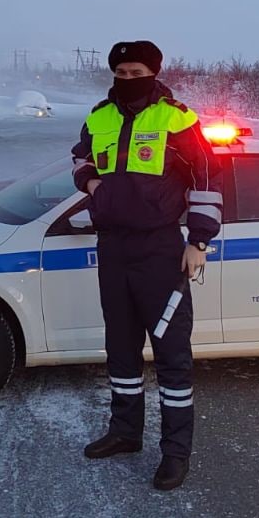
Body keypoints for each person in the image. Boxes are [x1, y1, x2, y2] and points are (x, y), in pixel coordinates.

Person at [71, 40, 223, 491]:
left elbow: (208, 177)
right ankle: (125, 433)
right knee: (120, 349)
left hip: (161, 249)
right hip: (113, 248)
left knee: (172, 357)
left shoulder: (177, 117)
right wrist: (93, 185)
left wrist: (198, 240)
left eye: (135, 71)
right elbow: (79, 157)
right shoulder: (98, 115)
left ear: (153, 72)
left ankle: (175, 453)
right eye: (120, 72)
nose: (126, 79)